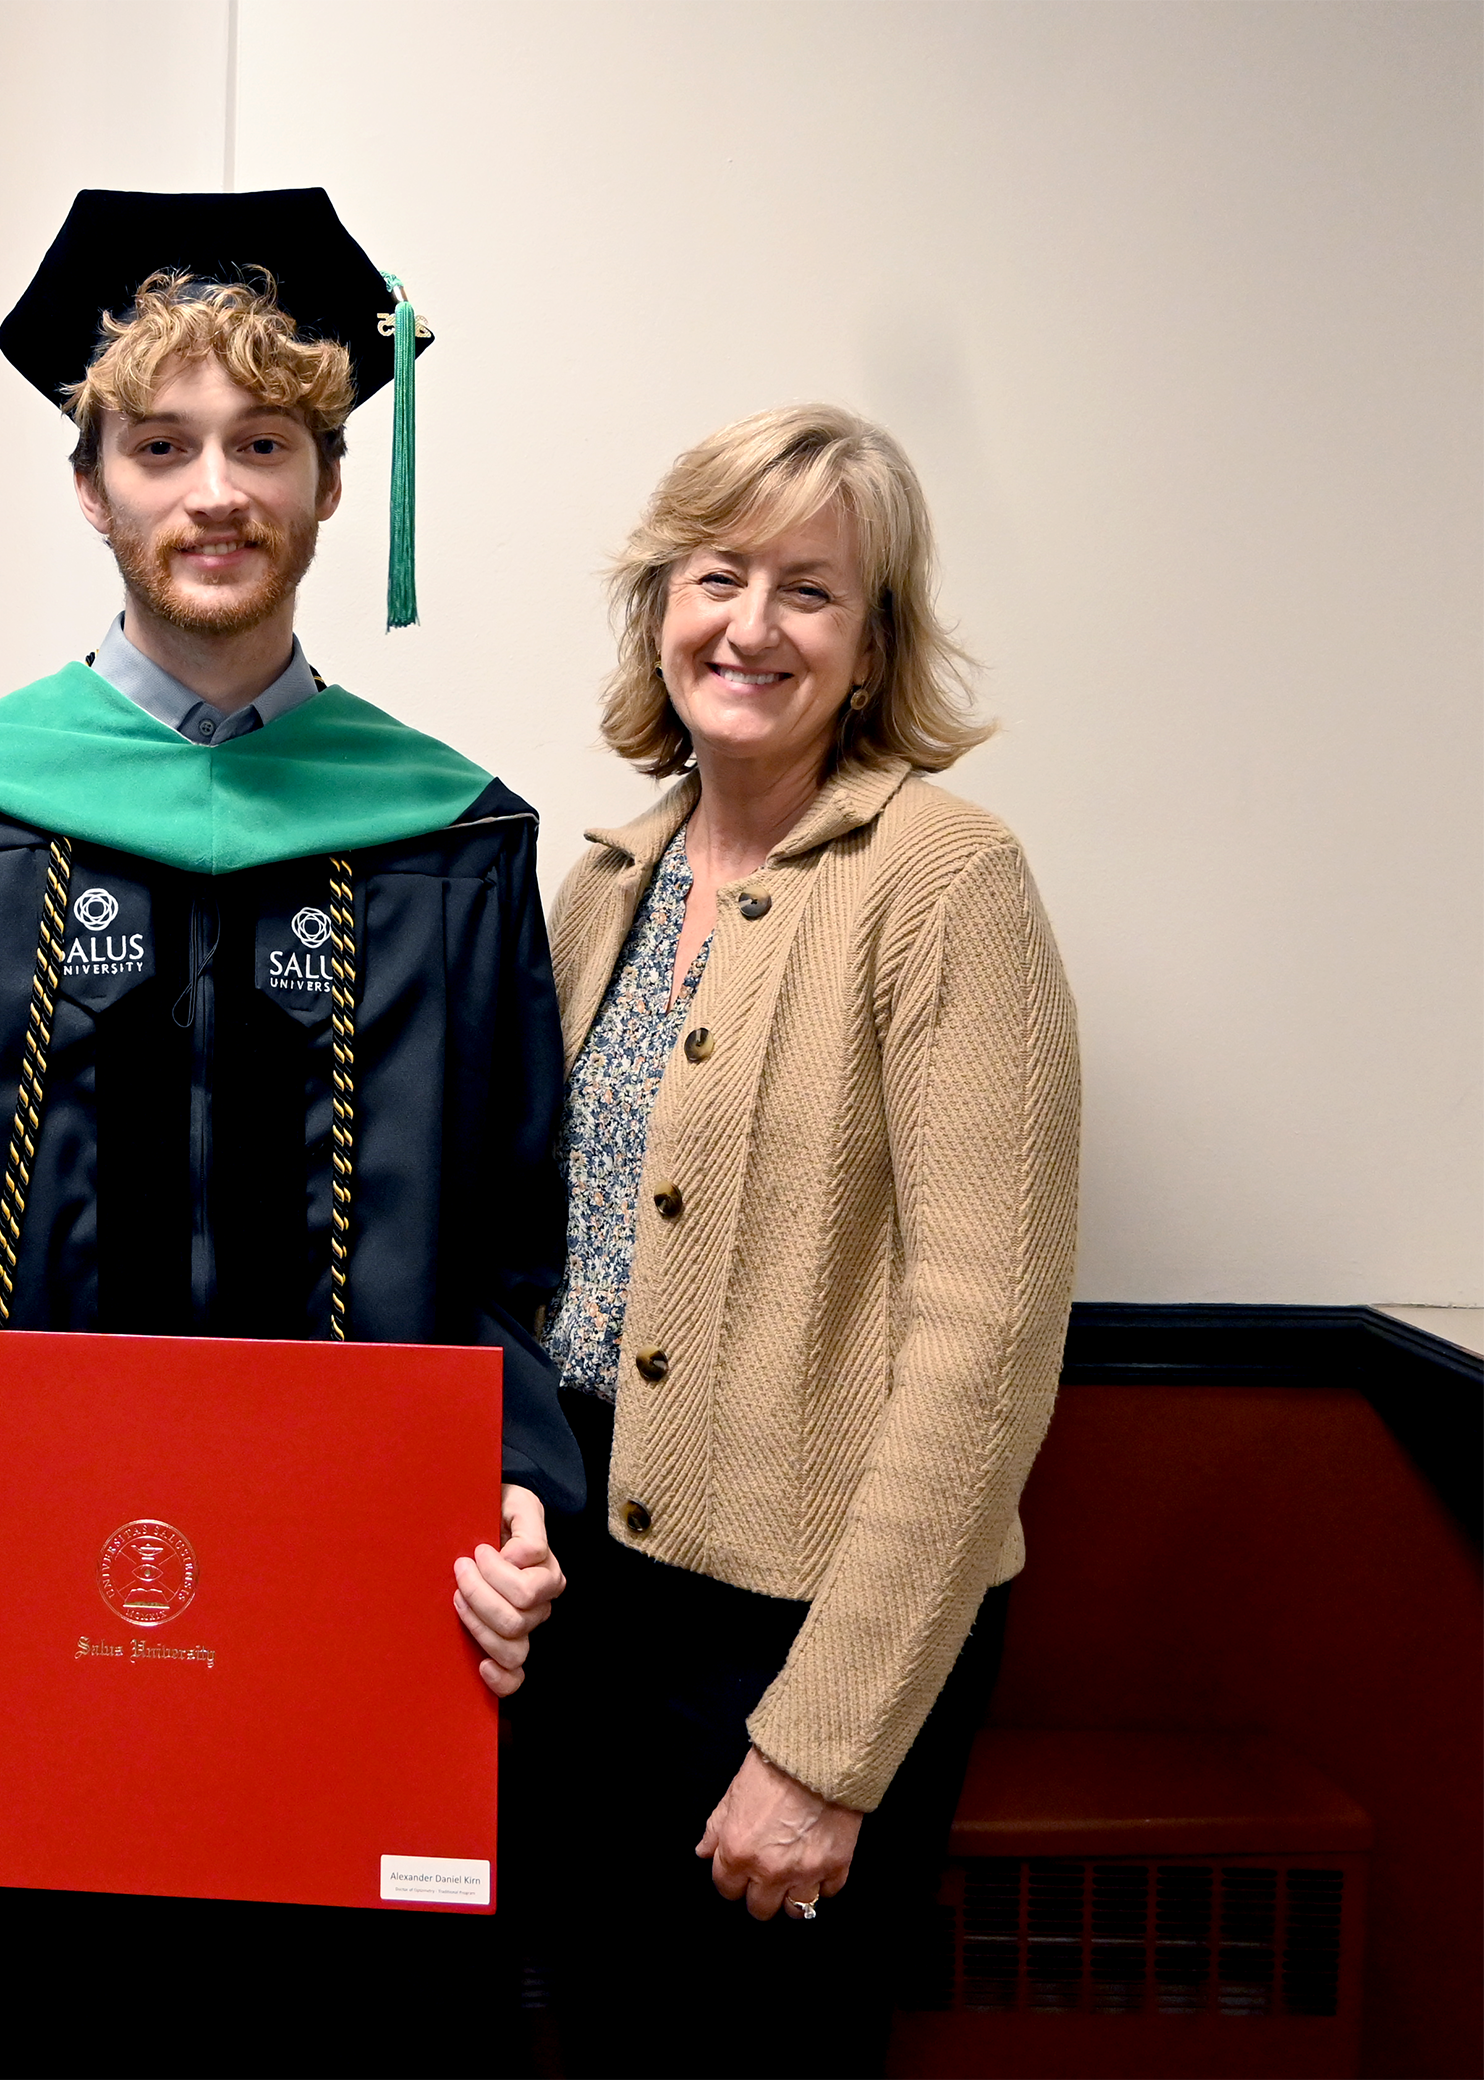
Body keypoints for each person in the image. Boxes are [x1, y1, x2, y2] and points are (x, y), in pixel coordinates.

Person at [0, 188, 587, 2077]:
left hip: (351, 1672)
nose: (216, 490)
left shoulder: (448, 839)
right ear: (92, 487)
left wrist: (530, 1494)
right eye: (162, 445)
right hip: (8, 1683)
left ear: (330, 482)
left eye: (263, 445)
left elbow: (520, 1246)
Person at [507, 403, 1080, 2076]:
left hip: (798, 1631)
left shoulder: (944, 877)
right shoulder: (602, 877)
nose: (749, 626)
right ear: (658, 607)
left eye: (808, 591)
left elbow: (984, 1352)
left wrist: (822, 1750)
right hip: (585, 1611)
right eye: (716, 575)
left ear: (870, 640)